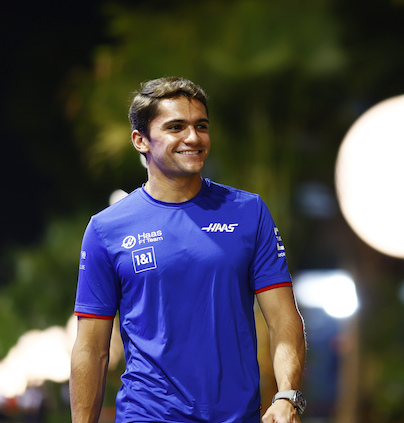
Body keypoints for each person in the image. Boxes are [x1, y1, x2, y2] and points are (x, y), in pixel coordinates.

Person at [70, 77, 306, 423]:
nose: (193, 138)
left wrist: (286, 395)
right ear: (141, 141)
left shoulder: (248, 211)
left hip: (237, 416)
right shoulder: (106, 229)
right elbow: (92, 347)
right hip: (147, 415)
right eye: (176, 127)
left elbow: (284, 317)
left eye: (201, 126)